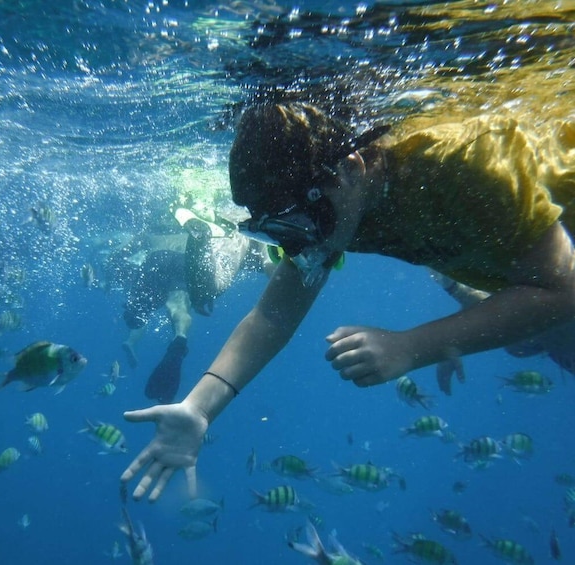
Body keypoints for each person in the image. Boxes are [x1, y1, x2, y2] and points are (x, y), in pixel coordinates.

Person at [119, 100, 575, 502]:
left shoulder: (462, 160)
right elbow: (272, 316)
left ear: (352, 168)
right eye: (276, 233)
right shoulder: (336, 204)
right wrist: (199, 407)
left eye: (298, 224)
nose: (298, 247)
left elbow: (563, 289)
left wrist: (411, 347)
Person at [108, 208, 272, 404]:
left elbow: (129, 247)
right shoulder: (243, 227)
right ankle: (179, 337)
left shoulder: (163, 220)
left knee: (140, 312)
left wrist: (113, 261)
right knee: (206, 291)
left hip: (160, 258)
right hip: (190, 264)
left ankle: (142, 337)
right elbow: (266, 261)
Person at [431, 271, 575, 394]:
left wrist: (453, 339)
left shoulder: (526, 343)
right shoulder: (526, 343)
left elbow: (500, 315)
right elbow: (501, 315)